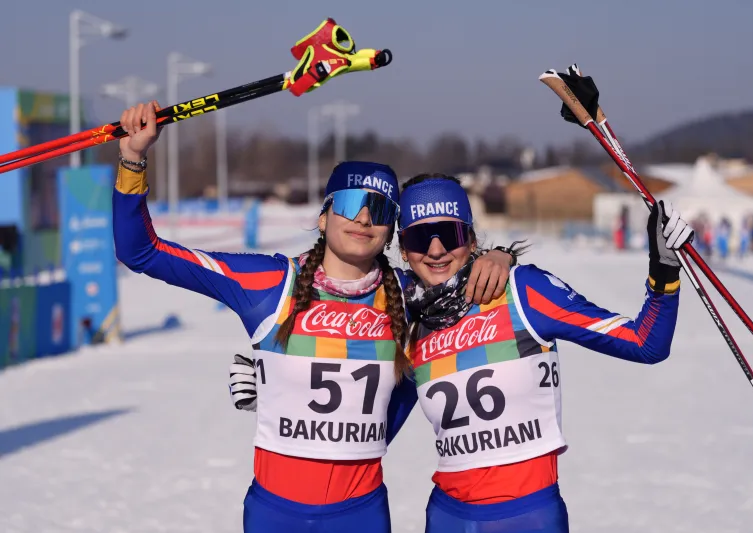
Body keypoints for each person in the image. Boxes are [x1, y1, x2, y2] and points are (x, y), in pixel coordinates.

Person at [113, 101, 514, 533]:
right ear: (323, 217)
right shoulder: (270, 283)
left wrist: (498, 256)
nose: (363, 218)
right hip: (274, 513)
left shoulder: (409, 293)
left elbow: (455, 273)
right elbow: (141, 252)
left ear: (390, 230)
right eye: (350, 204)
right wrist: (133, 158)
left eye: (379, 210)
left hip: (361, 515)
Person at [396, 174, 693, 533]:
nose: (436, 249)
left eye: (450, 233)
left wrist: (664, 271)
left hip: (528, 517)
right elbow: (370, 433)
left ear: (471, 237)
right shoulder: (410, 320)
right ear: (402, 249)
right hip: (447, 518)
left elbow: (646, 344)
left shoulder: (522, 291)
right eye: (418, 237)